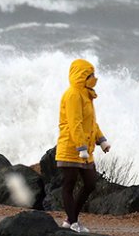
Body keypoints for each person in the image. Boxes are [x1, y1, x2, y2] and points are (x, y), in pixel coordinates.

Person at [55, 59, 111, 233]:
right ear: (82, 76)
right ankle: (72, 224)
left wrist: (101, 140)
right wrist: (81, 147)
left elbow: (91, 123)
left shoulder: (86, 94)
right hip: (71, 149)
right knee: (69, 184)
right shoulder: (73, 94)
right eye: (91, 75)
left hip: (86, 150)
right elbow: (75, 124)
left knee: (90, 183)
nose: (94, 78)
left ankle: (71, 220)